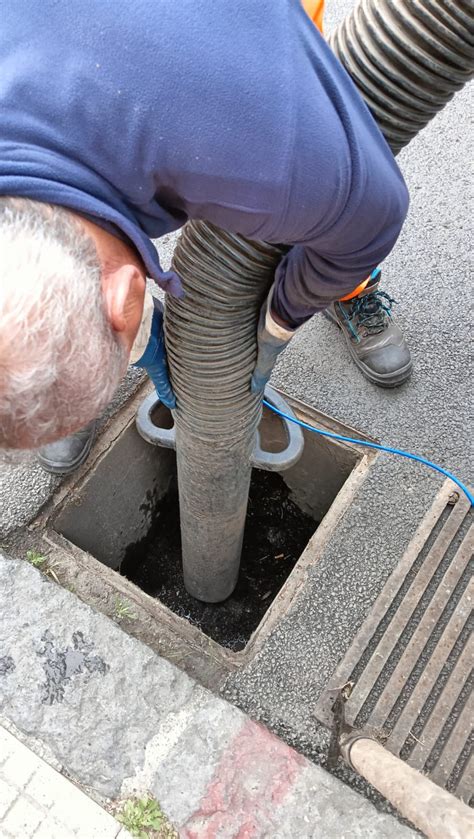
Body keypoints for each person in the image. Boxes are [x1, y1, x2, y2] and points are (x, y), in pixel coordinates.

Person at [0, 0, 410, 472]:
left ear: (127, 296)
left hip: (224, 72)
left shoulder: (266, 157)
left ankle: (349, 290)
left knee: (332, 223)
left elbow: (373, 218)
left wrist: (285, 313)